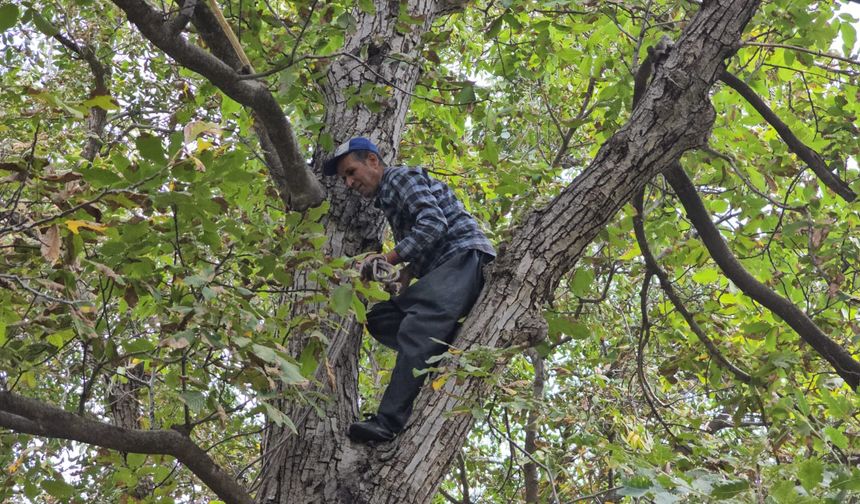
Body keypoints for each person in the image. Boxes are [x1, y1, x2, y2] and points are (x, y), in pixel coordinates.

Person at [323, 137, 495, 443]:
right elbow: (427, 235)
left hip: (463, 259)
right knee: (380, 318)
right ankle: (446, 343)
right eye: (344, 178)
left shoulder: (398, 178)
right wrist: (407, 272)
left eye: (351, 172)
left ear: (372, 161)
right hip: (447, 269)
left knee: (417, 331)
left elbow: (433, 224)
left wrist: (387, 258)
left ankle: (387, 423)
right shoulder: (390, 197)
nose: (349, 183)